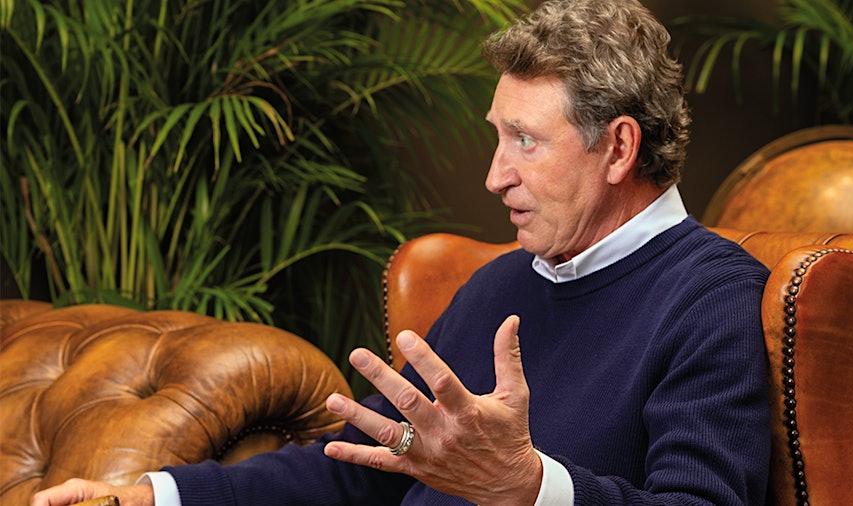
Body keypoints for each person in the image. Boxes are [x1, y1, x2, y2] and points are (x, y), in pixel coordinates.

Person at [32, 0, 771, 505]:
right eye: (497, 136)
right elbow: (356, 473)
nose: (494, 176)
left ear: (618, 148)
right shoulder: (499, 284)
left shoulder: (710, 295)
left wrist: (528, 487)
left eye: (525, 140)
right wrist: (148, 495)